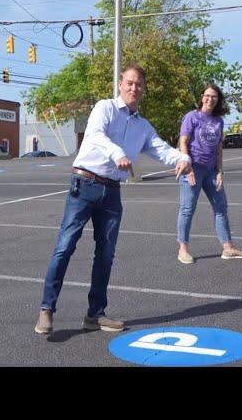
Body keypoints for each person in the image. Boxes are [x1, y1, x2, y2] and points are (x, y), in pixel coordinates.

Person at [35, 64, 192, 336]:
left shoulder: (142, 126)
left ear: (144, 90)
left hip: (111, 193)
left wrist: (183, 159)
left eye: (139, 84)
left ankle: (95, 314)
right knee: (65, 246)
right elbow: (95, 135)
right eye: (130, 83)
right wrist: (117, 153)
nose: (134, 88)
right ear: (120, 84)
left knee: (105, 255)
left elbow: (161, 149)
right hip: (84, 184)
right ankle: (47, 309)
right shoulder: (104, 108)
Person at [176, 83, 242, 264]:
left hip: (211, 171)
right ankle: (183, 250)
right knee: (187, 209)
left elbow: (218, 148)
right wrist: (188, 167)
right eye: (208, 96)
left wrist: (219, 171)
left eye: (214, 97)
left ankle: (228, 248)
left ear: (218, 100)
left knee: (221, 208)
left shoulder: (219, 121)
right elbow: (183, 142)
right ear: (202, 97)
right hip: (193, 169)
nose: (210, 99)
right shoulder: (191, 117)